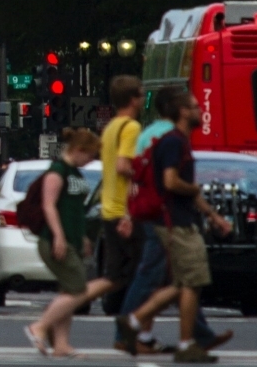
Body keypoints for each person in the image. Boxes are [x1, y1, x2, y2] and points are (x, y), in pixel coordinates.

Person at [116, 90, 233, 364]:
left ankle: (134, 322)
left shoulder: (172, 140)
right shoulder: (172, 142)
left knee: (181, 283)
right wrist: (194, 188)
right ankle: (184, 342)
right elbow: (170, 182)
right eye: (194, 107)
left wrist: (213, 216)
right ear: (182, 111)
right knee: (187, 280)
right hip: (174, 222)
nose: (200, 110)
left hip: (174, 220)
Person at [26, 128, 109, 356]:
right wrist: (59, 236)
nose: (92, 160)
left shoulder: (75, 173)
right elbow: (49, 205)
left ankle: (61, 343)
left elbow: (75, 210)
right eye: (90, 154)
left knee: (68, 290)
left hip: (73, 239)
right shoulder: (57, 171)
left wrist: (82, 237)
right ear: (79, 150)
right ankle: (40, 327)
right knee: (79, 288)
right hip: (54, 240)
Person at [102, 76, 145, 352]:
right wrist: (145, 175)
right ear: (132, 99)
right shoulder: (131, 127)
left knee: (118, 277)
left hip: (109, 209)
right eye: (141, 95)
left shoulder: (110, 128)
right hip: (123, 211)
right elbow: (122, 166)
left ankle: (127, 332)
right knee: (137, 275)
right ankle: (129, 333)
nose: (143, 100)